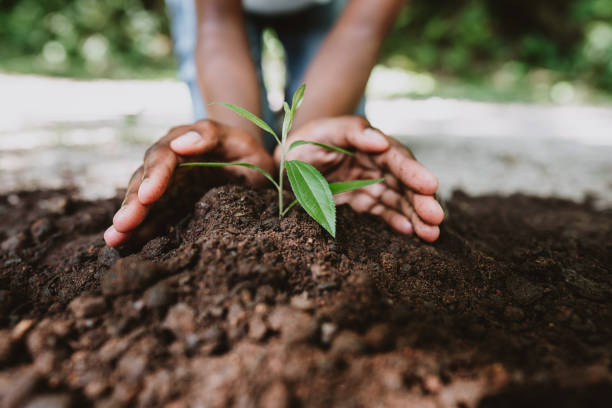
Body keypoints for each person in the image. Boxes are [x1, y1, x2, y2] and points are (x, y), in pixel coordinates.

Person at [104, 0, 444, 247]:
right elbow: (217, 21)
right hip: (216, 12)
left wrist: (302, 148)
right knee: (227, 146)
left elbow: (363, 26)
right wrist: (240, 148)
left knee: (334, 135)